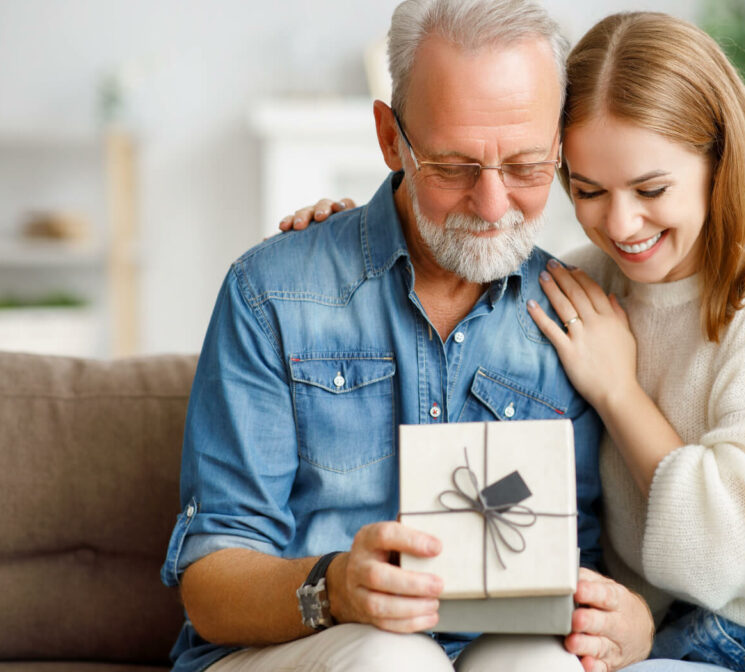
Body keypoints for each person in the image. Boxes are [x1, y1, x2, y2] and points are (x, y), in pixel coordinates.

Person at [287, 10, 745, 672]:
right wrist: (359, 237)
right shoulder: (579, 287)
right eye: (589, 189)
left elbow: (733, 549)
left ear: (717, 159)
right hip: (687, 643)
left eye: (651, 188)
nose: (621, 224)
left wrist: (619, 391)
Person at [160, 2, 656, 671]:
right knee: (394, 659)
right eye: (453, 167)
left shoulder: (575, 320)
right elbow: (209, 588)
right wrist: (335, 587)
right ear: (391, 139)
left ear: (561, 148)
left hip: (490, 647)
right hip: (293, 647)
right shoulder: (272, 293)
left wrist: (629, 622)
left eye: (526, 166)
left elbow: (582, 566)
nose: (491, 205)